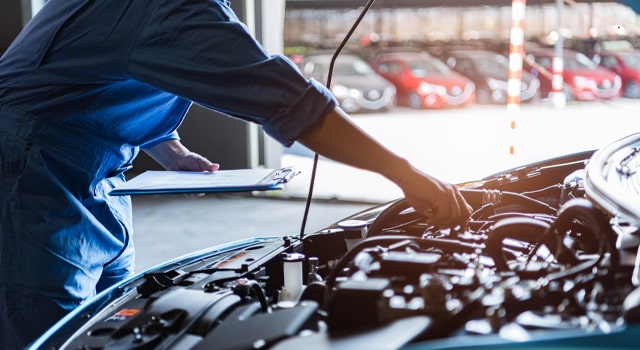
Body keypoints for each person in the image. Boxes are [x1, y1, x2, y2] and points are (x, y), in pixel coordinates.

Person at [0, 0, 472, 347]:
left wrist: (167, 148)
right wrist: (407, 175)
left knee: (112, 321)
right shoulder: (172, 7)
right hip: (32, 167)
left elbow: (89, 77)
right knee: (52, 331)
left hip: (88, 166)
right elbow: (294, 105)